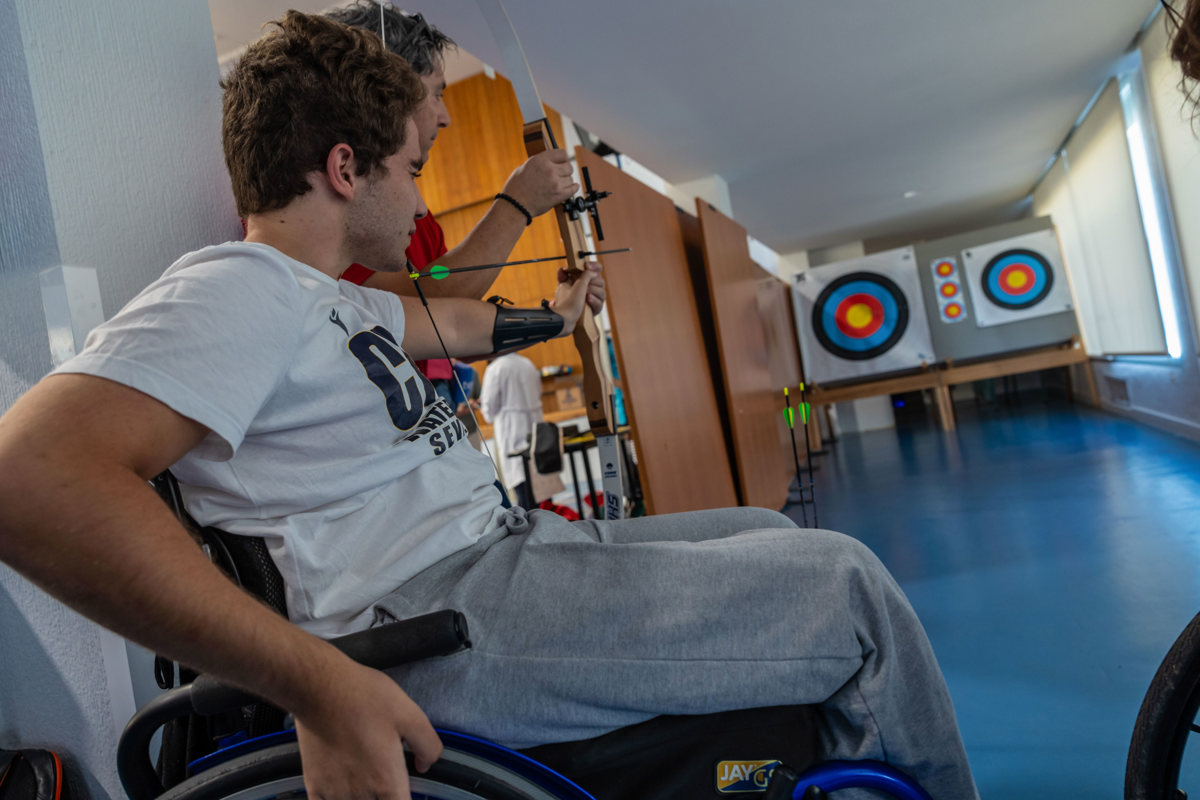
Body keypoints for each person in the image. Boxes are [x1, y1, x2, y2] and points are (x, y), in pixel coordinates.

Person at [0, 13, 978, 800]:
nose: (423, 206)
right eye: (413, 170)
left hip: (502, 555)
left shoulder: (335, 298)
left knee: (766, 526)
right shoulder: (238, 288)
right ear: (346, 168)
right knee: (847, 585)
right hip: (442, 614)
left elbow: (461, 322)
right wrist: (312, 678)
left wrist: (550, 318)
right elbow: (28, 475)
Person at [325, 0, 579, 395]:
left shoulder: (415, 216)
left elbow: (451, 314)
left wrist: (557, 315)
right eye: (435, 94)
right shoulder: (341, 204)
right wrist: (517, 204)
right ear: (388, 93)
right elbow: (422, 306)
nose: (445, 116)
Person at [479, 352, 562, 508]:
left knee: (522, 485)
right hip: (536, 426)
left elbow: (488, 409)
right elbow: (538, 392)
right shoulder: (527, 363)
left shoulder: (496, 368)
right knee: (542, 486)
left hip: (511, 429)